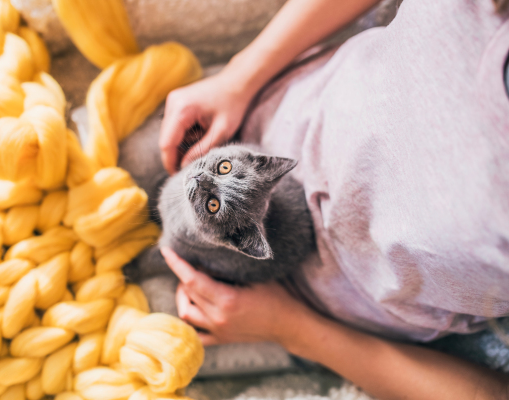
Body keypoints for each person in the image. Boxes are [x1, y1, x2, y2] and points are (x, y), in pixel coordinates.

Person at [157, 0, 509, 399]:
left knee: (170, 342)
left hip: (301, 306)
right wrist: (241, 75)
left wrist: (291, 331)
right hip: (257, 113)